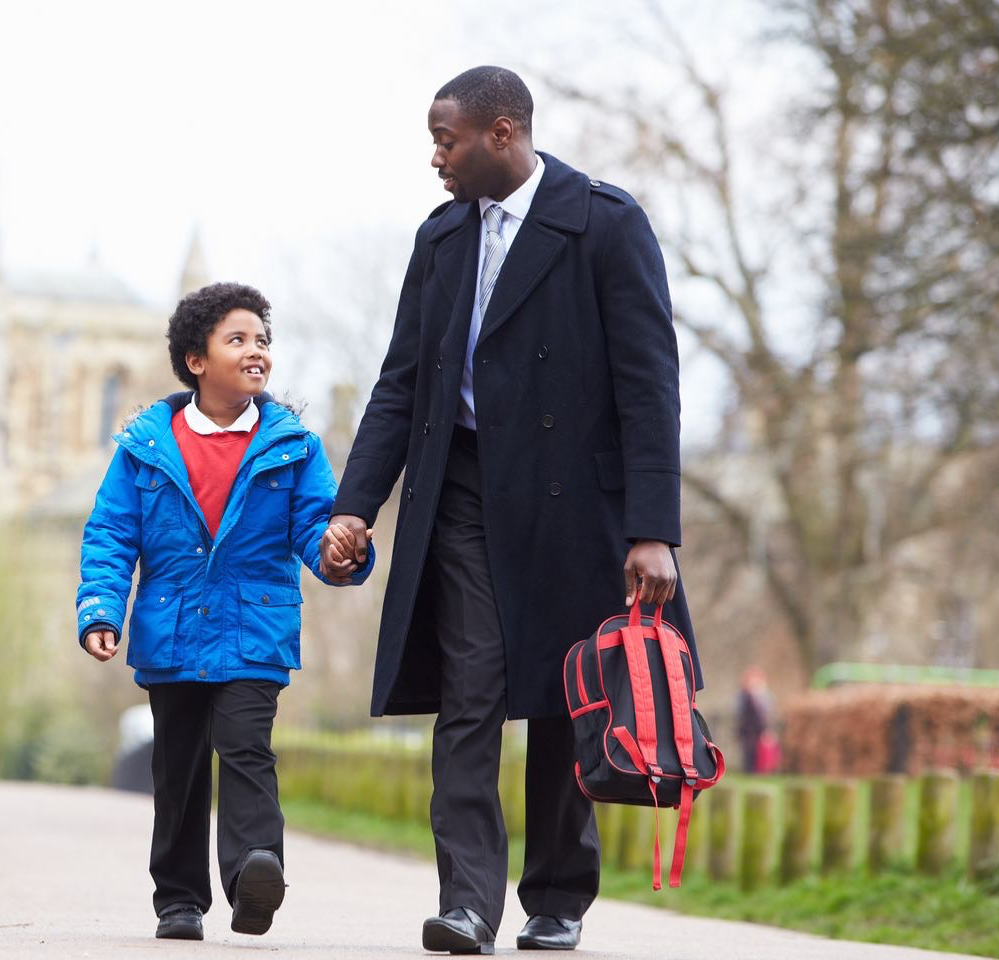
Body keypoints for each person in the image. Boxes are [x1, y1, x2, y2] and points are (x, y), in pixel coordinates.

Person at [321, 65, 699, 954]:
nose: (434, 157)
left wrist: (653, 529)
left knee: (569, 697)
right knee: (470, 691)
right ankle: (466, 905)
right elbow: (402, 382)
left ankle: (558, 899)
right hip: (459, 491)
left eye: (445, 139)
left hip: (573, 504)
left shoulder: (604, 223)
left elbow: (651, 387)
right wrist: (355, 506)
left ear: (501, 134)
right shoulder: (442, 237)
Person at [77, 282, 373, 942]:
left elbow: (316, 531)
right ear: (195, 361)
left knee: (245, 747)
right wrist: (100, 610)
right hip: (171, 630)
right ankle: (179, 898)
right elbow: (110, 534)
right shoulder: (143, 446)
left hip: (254, 627)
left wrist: (338, 552)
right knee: (176, 765)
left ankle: (253, 874)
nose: (255, 351)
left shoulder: (294, 446)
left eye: (263, 340)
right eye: (236, 339)